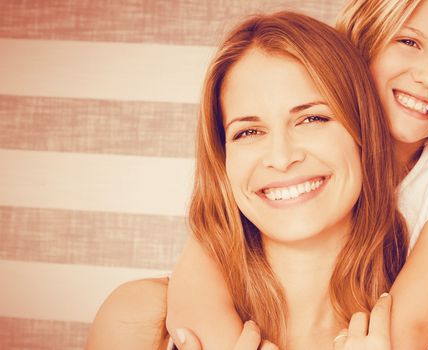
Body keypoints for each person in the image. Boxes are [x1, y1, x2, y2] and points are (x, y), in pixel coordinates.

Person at [166, 0, 428, 348]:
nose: (427, 76)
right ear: (362, 40)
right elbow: (211, 244)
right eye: (408, 42)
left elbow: (410, 328)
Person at [89, 11, 404, 350]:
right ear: (223, 159)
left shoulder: (425, 339)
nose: (282, 158)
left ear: (363, 134)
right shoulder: (140, 322)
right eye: (249, 131)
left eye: (312, 118)